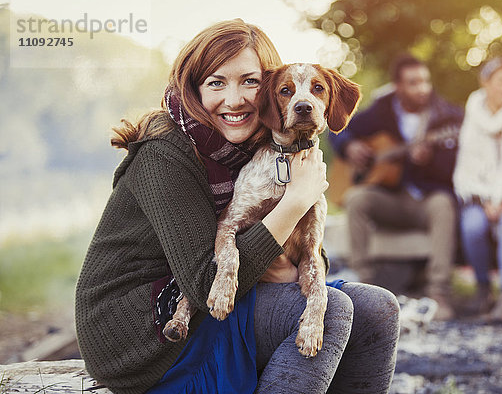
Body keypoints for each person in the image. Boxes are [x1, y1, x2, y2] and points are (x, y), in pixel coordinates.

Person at [75, 19, 400, 394]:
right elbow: (203, 284)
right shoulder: (164, 157)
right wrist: (295, 202)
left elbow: (301, 252)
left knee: (378, 308)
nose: (235, 99)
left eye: (249, 81)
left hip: (217, 298)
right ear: (193, 90)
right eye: (216, 83)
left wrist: (297, 247)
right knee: (337, 312)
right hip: (143, 333)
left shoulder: (259, 149)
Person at [329, 54, 463, 321]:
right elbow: (339, 128)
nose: (422, 88)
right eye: (413, 83)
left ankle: (439, 295)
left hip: (425, 198)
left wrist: (428, 161)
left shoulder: (446, 116)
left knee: (443, 205)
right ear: (398, 86)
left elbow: (454, 169)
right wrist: (349, 146)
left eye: (425, 81)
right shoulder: (382, 111)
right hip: (389, 197)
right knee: (356, 198)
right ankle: (361, 286)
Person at [453, 57, 502, 324]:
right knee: (472, 226)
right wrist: (484, 199)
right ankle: (483, 290)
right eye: (501, 81)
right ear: (485, 82)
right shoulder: (473, 110)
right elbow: (466, 167)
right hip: (478, 194)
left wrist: (501, 199)